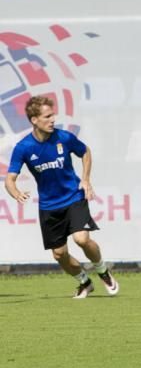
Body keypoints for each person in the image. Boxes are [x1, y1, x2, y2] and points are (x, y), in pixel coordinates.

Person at [4, 96, 119, 299]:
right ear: (34, 120)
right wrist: (16, 193)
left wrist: (85, 179)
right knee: (59, 254)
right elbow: (9, 179)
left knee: (81, 239)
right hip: (49, 206)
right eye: (47, 116)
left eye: (53, 115)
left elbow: (85, 152)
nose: (52, 120)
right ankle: (85, 282)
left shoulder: (64, 138)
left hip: (73, 197)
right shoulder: (23, 148)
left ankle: (103, 271)